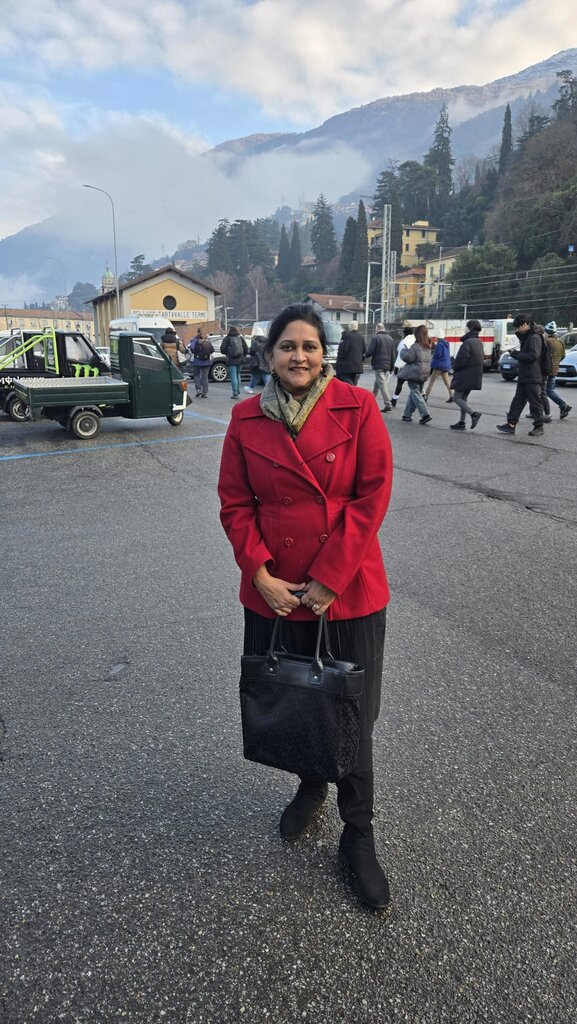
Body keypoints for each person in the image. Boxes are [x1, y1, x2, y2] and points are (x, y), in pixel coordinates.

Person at [218, 303, 394, 911]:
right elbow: (234, 503)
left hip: (346, 588)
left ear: (324, 354)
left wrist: (329, 577)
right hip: (275, 591)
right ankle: (311, 784)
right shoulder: (245, 416)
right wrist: (259, 573)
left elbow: (372, 497)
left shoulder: (358, 406)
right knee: (300, 699)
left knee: (352, 715)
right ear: (269, 356)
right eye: (288, 346)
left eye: (310, 346)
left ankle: (359, 835)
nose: (299, 356)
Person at [497, 314, 545, 436]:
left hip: (532, 376)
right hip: (525, 375)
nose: (517, 330)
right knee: (518, 400)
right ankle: (511, 424)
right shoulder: (527, 336)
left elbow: (533, 356)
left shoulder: (534, 337)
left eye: (518, 327)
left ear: (524, 325)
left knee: (535, 402)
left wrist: (516, 354)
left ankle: (539, 426)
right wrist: (517, 352)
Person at [448, 320, 484, 431]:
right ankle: (462, 422)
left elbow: (461, 360)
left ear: (470, 328)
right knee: (463, 398)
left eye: (466, 327)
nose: (465, 329)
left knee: (456, 398)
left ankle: (473, 414)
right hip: (474, 376)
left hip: (465, 375)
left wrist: (454, 366)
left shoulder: (468, 343)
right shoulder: (479, 342)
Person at [398, 324, 433, 424]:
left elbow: (407, 358)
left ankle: (425, 414)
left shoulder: (415, 346)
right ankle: (407, 415)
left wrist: (403, 351)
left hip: (415, 373)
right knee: (414, 393)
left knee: (415, 393)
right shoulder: (428, 346)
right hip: (424, 373)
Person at [543, 322, 571, 420]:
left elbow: (543, 356)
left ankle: (562, 405)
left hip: (546, 370)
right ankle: (563, 406)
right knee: (549, 390)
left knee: (543, 391)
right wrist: (556, 363)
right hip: (555, 370)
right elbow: (563, 356)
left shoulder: (547, 341)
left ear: (547, 332)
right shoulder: (560, 342)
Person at [366, 323, 395, 412]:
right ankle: (371, 401)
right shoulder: (390, 338)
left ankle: (388, 404)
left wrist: (363, 356)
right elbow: (392, 354)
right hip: (387, 365)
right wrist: (392, 367)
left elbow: (370, 351)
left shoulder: (375, 338)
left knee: (382, 385)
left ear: (377, 329)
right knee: (377, 385)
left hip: (378, 365)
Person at [390, 325, 416, 407]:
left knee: (400, 383)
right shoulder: (416, 340)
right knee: (415, 385)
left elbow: (400, 356)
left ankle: (394, 399)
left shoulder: (404, 342)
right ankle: (423, 396)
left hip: (404, 366)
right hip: (415, 365)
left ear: (405, 333)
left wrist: (396, 367)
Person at [221, 326, 248, 399]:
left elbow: (222, 349)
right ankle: (238, 391)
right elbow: (246, 349)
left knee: (233, 377)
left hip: (231, 360)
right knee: (238, 374)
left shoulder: (227, 338)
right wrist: (243, 356)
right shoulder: (240, 338)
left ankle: (235, 393)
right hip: (240, 359)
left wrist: (227, 353)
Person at [335, 321, 365, 385]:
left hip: (348, 365)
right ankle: (352, 389)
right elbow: (364, 350)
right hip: (358, 365)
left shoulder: (347, 336)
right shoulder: (361, 337)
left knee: (345, 379)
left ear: (349, 327)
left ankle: (352, 388)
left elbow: (344, 350)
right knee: (353, 380)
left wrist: (340, 357)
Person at [424, 334, 453, 402]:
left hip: (439, 366)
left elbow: (438, 355)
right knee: (447, 382)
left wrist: (433, 356)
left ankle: (426, 396)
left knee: (432, 381)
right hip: (445, 365)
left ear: (438, 338)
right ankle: (452, 396)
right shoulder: (446, 344)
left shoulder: (439, 345)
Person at [189, 327, 214, 398]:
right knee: (205, 376)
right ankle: (205, 392)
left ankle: (198, 390)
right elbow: (212, 349)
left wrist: (196, 353)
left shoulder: (195, 339)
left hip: (197, 360)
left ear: (197, 332)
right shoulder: (207, 339)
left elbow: (192, 348)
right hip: (207, 361)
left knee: (196, 375)